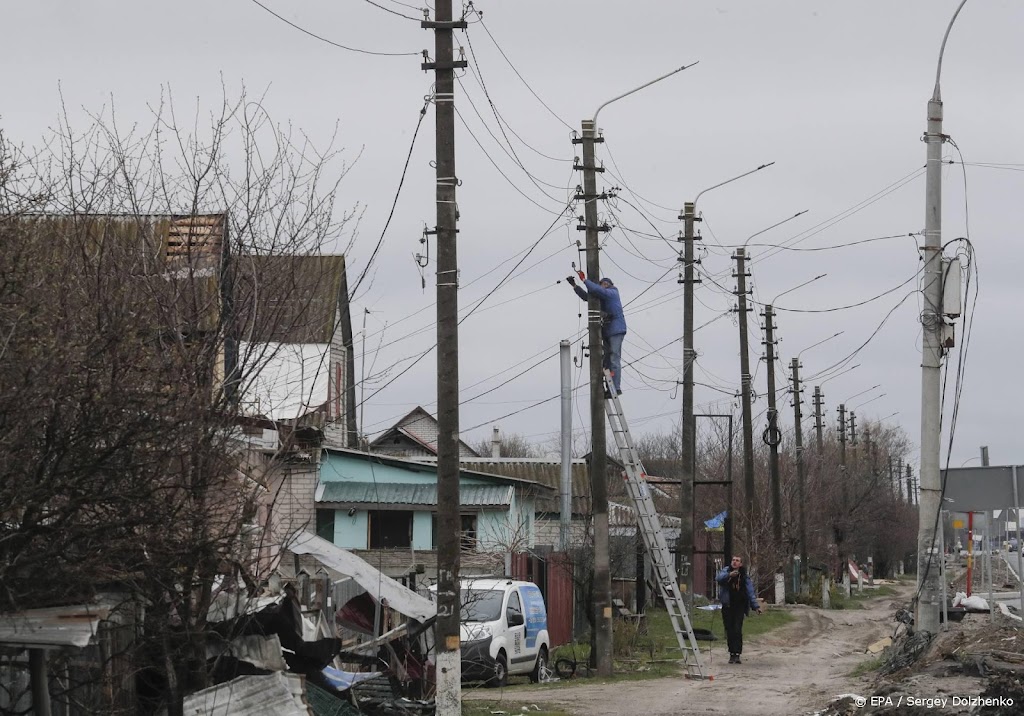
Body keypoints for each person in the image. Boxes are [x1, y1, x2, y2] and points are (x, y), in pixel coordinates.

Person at [566, 271, 626, 394]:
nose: (602, 286)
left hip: (616, 330)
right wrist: (575, 286)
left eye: (604, 284)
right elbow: (587, 297)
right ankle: (610, 386)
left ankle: (616, 387)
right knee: (607, 358)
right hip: (608, 330)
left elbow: (598, 291)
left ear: (609, 285)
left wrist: (584, 280)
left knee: (614, 357)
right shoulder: (603, 297)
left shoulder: (612, 293)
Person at [716, 555, 761, 664]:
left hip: (739, 606)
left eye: (737, 561)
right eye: (733, 560)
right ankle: (731, 653)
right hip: (727, 605)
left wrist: (756, 606)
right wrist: (729, 575)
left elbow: (750, 592)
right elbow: (718, 579)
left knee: (737, 629)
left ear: (741, 564)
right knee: (729, 630)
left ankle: (737, 653)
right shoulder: (726, 571)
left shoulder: (744, 576)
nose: (735, 562)